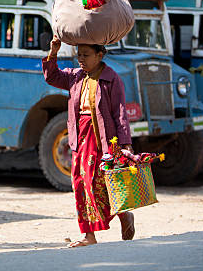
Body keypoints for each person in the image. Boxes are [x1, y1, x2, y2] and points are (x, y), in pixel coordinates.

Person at [42, 35, 135, 247]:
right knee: (80, 183)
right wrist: (54, 51)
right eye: (78, 55)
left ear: (100, 55)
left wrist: (124, 143)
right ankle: (89, 235)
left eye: (86, 55)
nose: (81, 60)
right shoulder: (74, 77)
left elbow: (120, 113)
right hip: (80, 136)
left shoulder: (112, 79)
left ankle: (123, 214)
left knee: (100, 184)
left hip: (103, 139)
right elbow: (51, 76)